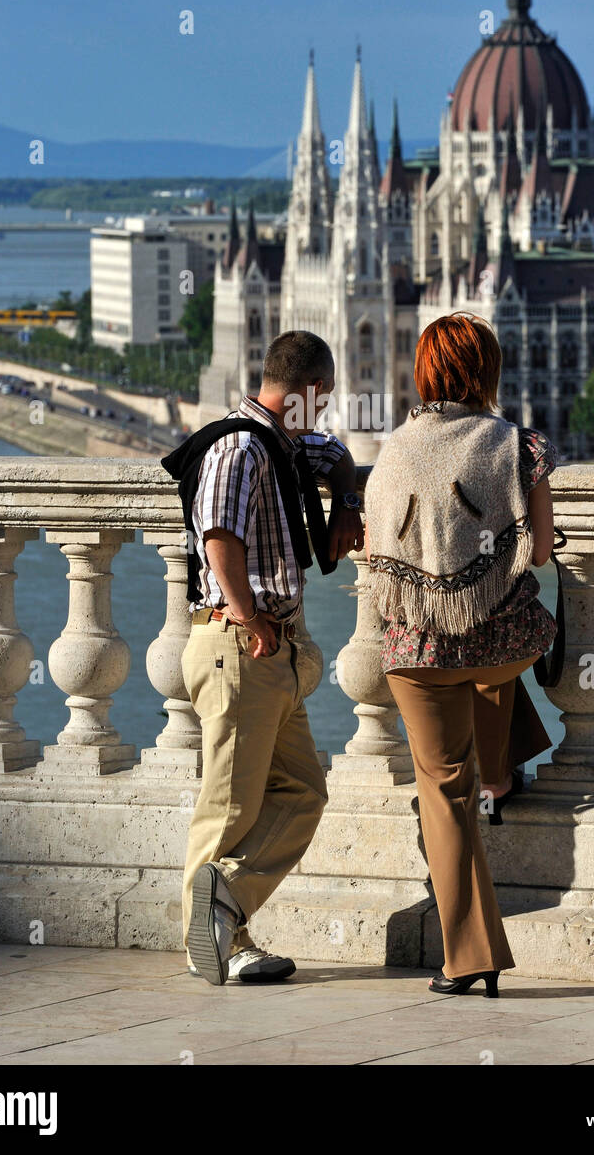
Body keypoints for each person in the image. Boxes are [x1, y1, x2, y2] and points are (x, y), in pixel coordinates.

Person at [364, 312, 557, 997]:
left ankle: (469, 956)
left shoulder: (392, 451)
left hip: (417, 650)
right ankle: (502, 768)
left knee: (444, 793)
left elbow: (377, 553)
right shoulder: (518, 445)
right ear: (487, 374)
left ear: (423, 374)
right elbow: (539, 550)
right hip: (500, 643)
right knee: (497, 668)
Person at [178, 331, 363, 985]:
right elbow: (218, 537)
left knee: (302, 793)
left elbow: (332, 453)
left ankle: (223, 906)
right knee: (228, 807)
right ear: (308, 391)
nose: (327, 411)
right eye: (326, 398)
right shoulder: (237, 447)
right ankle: (220, 944)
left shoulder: (282, 443)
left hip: (272, 653)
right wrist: (248, 615)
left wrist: (344, 498)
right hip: (240, 646)